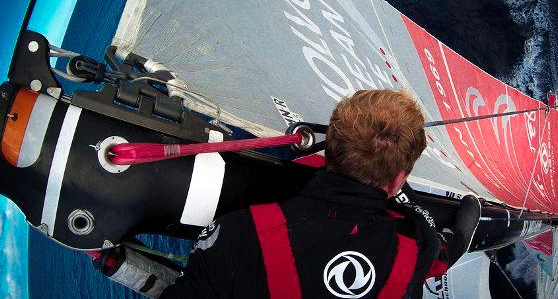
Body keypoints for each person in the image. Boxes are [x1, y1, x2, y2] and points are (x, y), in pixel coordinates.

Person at [155, 89, 481, 298]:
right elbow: (446, 251)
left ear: (330, 152)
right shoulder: (415, 245)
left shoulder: (240, 233)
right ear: (397, 181)